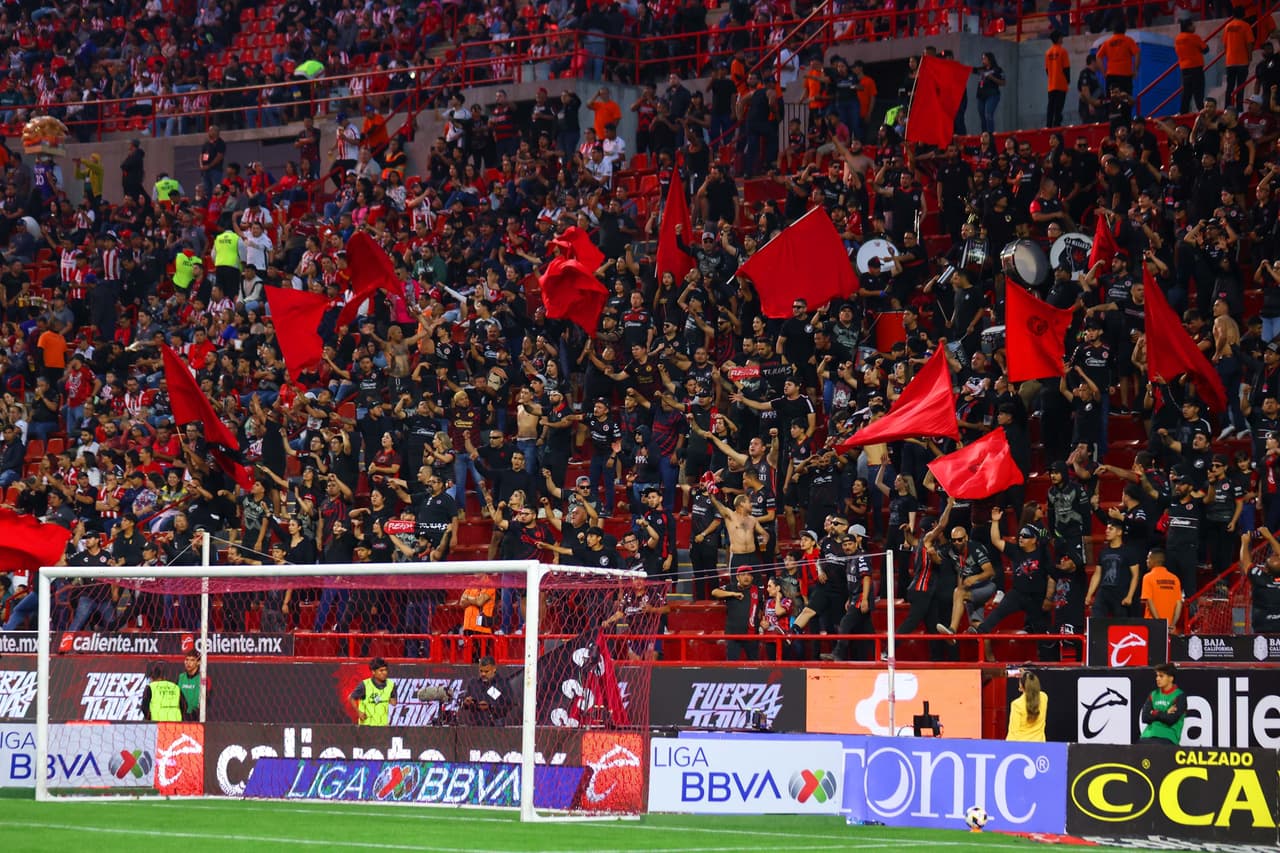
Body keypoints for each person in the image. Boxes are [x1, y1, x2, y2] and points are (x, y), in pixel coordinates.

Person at [1139, 663, 1187, 745]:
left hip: (1167, 737)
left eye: (1161, 676)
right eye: (1157, 676)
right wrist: (1164, 713)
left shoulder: (1179, 696)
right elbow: (1145, 717)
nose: (1157, 679)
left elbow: (1170, 719)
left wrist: (1154, 712)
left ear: (1171, 678)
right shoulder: (1153, 694)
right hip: (1147, 736)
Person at [459, 655, 513, 726]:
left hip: (495, 727)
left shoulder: (502, 684)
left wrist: (491, 707)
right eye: (481, 671)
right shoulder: (473, 683)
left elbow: (509, 705)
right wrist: (466, 703)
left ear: (494, 669)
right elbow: (462, 702)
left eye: (486, 671)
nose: (483, 674)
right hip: (474, 727)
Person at [1140, 549, 1184, 629]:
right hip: (1169, 626)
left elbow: (1150, 602)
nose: (1147, 561)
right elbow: (1179, 603)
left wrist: (1159, 623)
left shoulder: (1148, 577)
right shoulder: (1174, 578)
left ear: (1154, 560)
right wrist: (1173, 624)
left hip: (1152, 625)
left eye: (1148, 558)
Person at [349, 657, 397, 726]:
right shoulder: (365, 685)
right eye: (381, 670)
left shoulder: (391, 685)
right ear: (373, 672)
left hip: (383, 726)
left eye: (386, 670)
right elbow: (351, 698)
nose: (384, 673)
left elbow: (394, 703)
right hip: (367, 726)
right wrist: (359, 712)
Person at [1006, 670, 1047, 742]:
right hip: (1040, 745)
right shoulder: (1044, 697)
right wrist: (1026, 674)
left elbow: (1013, 733)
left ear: (1021, 686)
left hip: (1022, 748)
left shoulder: (1017, 704)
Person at [177, 650, 204, 722]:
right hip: (180, 715)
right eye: (187, 660)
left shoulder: (202, 679)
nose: (188, 663)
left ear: (198, 662)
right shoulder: (181, 677)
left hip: (195, 716)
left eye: (192, 660)